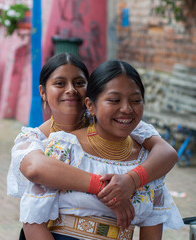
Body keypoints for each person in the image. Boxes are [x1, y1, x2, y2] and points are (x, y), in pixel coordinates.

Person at [19, 60, 184, 240]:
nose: (126, 109)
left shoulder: (148, 163)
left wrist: (131, 181)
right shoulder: (65, 148)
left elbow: (152, 231)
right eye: (114, 100)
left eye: (136, 100)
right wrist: (107, 190)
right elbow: (32, 222)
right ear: (90, 105)